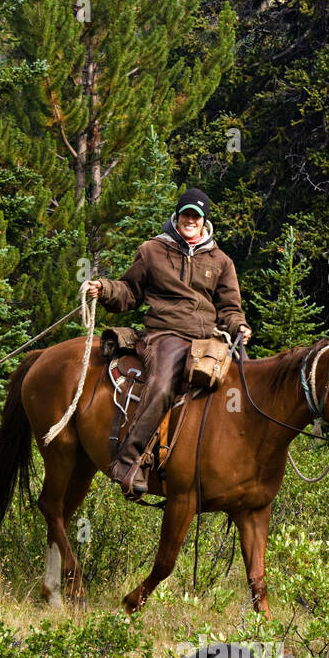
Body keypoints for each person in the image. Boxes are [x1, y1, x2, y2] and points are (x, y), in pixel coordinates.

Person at [85, 188, 252, 500]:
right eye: (186, 214)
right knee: (162, 386)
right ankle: (129, 461)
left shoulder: (221, 261)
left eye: (196, 216)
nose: (190, 220)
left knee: (241, 385)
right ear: (177, 216)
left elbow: (229, 308)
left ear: (204, 222)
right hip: (164, 335)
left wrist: (239, 326)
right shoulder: (152, 251)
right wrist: (105, 289)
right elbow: (130, 291)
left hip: (207, 340)